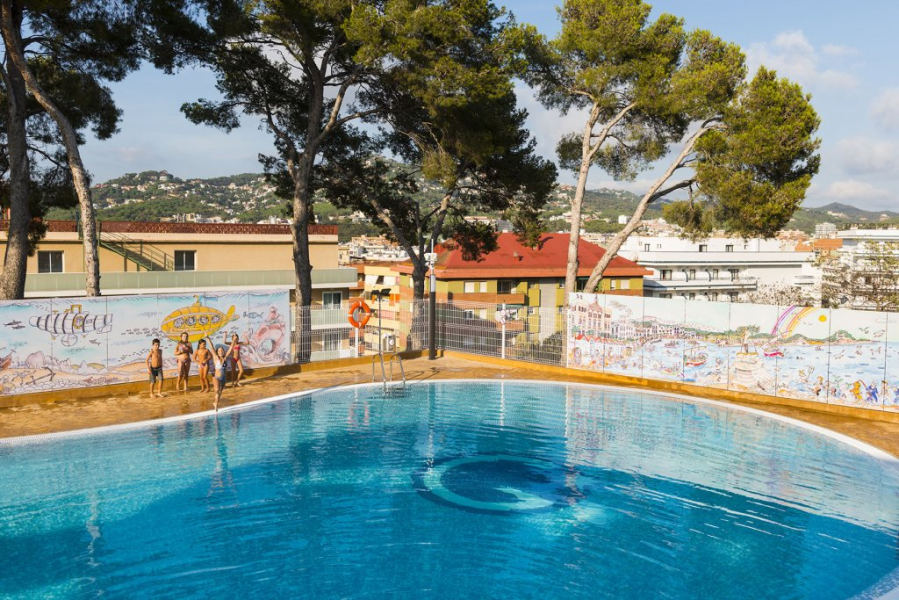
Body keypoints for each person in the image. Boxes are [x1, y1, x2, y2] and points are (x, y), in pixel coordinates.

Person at [210, 338, 237, 411]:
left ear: (224, 352)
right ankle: (215, 403)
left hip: (224, 379)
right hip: (216, 378)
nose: (221, 351)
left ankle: (215, 403)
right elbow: (212, 348)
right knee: (217, 390)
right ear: (217, 352)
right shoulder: (216, 358)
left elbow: (231, 348)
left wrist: (234, 340)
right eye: (219, 350)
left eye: (222, 350)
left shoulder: (225, 358)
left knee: (219, 393)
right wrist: (208, 338)